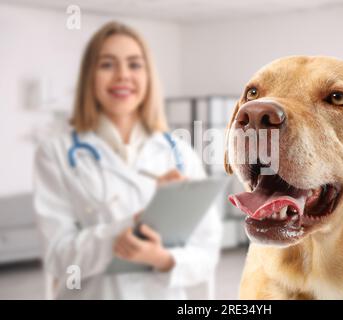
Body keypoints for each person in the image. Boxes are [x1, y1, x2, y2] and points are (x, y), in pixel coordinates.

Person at [33, 21, 222, 299]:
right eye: (107, 65)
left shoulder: (180, 154)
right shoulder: (55, 154)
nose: (123, 75)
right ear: (89, 76)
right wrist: (126, 228)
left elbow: (206, 255)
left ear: (148, 76)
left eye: (134, 65)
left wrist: (162, 259)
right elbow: (58, 258)